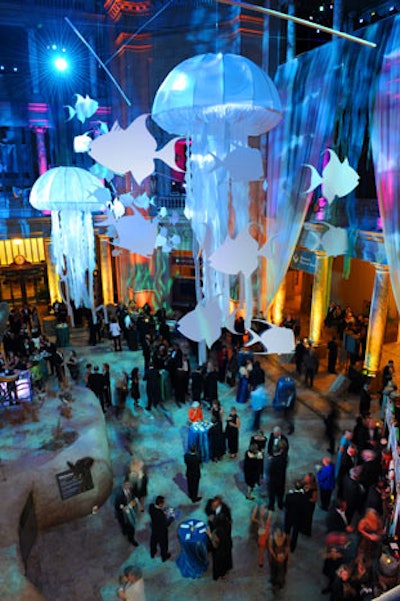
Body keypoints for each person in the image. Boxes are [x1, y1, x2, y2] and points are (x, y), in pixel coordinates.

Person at [114, 479, 139, 547]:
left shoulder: (131, 491)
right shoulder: (119, 494)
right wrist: (123, 508)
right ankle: (129, 536)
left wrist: (134, 502)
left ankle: (131, 537)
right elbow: (117, 505)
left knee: (131, 526)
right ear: (123, 485)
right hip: (123, 514)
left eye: (129, 485)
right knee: (125, 525)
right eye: (127, 485)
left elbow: (134, 499)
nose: (128, 486)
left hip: (130, 511)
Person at [149, 495, 174, 561]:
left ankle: (152, 553)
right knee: (163, 544)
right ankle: (164, 556)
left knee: (153, 542)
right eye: (163, 503)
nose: (164, 504)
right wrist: (171, 518)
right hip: (162, 531)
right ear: (160, 504)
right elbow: (166, 524)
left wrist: (163, 513)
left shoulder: (151, 507)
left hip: (154, 528)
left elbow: (156, 514)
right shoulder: (160, 515)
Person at [284, 480, 306, 552]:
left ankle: (285, 543)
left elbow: (286, 506)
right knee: (295, 532)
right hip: (298, 517)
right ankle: (292, 547)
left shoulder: (289, 496)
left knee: (287, 530)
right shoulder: (304, 498)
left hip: (289, 516)